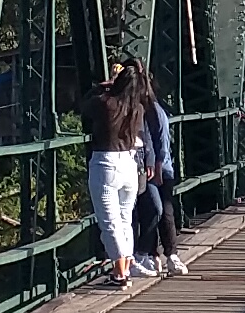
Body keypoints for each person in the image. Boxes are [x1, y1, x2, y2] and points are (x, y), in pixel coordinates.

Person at [82, 62, 152, 283]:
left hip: (105, 163)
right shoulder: (137, 109)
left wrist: (104, 86)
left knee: (109, 222)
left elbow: (84, 105)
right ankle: (125, 267)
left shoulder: (106, 103)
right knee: (124, 219)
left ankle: (120, 272)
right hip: (129, 165)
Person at [137, 76, 193, 276]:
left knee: (159, 210)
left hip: (158, 169)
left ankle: (164, 254)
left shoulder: (153, 111)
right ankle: (155, 255)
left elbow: (161, 142)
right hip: (154, 168)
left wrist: (158, 167)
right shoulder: (149, 109)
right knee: (155, 210)